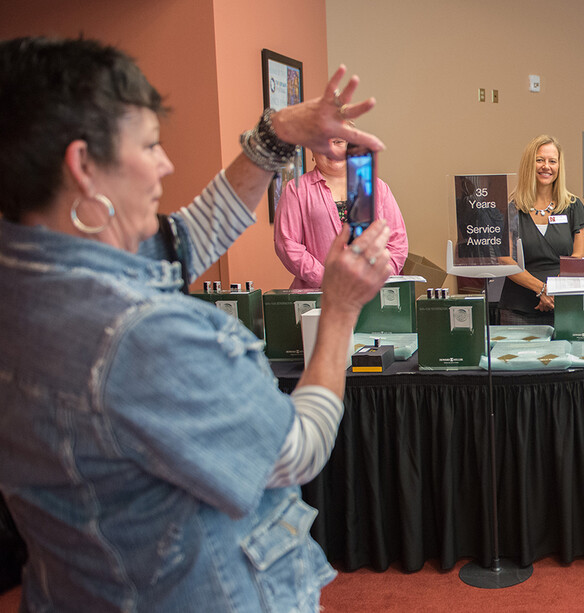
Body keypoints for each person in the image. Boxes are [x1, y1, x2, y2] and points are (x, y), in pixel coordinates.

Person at [0, 36, 393, 612]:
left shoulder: (25, 275)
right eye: (151, 145)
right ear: (84, 166)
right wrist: (339, 310)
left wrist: (275, 135)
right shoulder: (142, 337)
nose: (167, 163)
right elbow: (295, 451)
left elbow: (189, 235)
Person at [273, 132, 408, 289]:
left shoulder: (378, 187)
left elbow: (397, 242)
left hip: (373, 294)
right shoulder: (295, 189)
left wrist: (378, 276)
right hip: (318, 295)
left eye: (338, 142)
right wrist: (326, 279)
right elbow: (287, 245)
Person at [497, 134, 584, 325]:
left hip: (563, 306)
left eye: (552, 161)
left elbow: (577, 256)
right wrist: (542, 289)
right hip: (518, 310)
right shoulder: (512, 208)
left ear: (559, 167)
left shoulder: (573, 206)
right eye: (539, 160)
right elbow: (505, 259)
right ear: (528, 165)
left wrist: (554, 291)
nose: (546, 166)